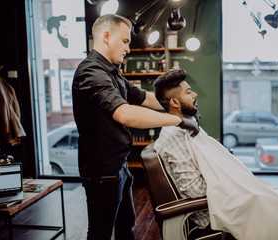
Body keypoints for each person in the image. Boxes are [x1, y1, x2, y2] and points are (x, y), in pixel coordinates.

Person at [153, 69, 278, 240]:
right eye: (189, 92)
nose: (195, 94)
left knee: (277, 197)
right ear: (175, 102)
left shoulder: (184, 126)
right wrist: (234, 185)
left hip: (220, 199)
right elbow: (194, 190)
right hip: (209, 212)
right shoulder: (175, 136)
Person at [72, 14, 199, 240]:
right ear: (106, 36)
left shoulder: (112, 72)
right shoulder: (91, 72)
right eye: (125, 41)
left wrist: (179, 103)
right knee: (100, 233)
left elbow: (144, 98)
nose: (128, 49)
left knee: (126, 227)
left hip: (119, 166)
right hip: (102, 172)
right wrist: (179, 120)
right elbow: (124, 113)